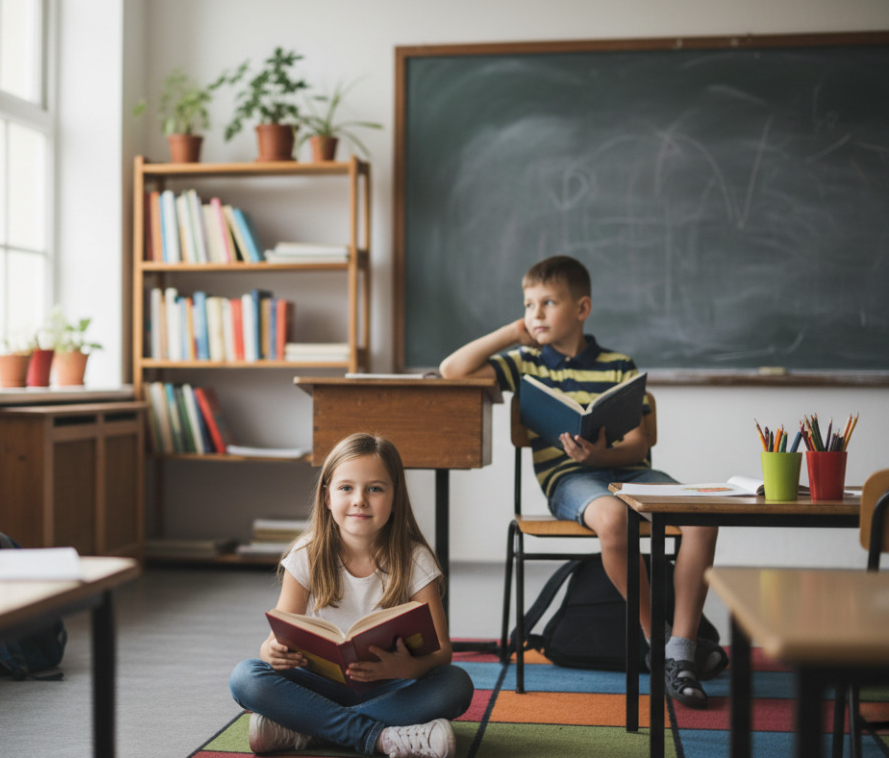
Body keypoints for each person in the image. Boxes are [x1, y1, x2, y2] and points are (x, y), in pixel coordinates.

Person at [439, 255, 723, 709]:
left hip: (630, 472)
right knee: (614, 521)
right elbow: (452, 369)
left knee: (702, 517)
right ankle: (658, 639)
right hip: (570, 480)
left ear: (582, 308)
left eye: (548, 303)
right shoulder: (525, 363)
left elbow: (638, 443)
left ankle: (682, 649)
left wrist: (603, 454)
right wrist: (512, 332)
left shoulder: (618, 364)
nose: (536, 314)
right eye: (529, 304)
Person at [229, 433, 473, 757]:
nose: (360, 500)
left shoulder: (415, 559)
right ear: (327, 497)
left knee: (455, 685)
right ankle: (380, 737)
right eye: (346, 488)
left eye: (375, 489)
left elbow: (442, 652)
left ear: (396, 498)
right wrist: (271, 651)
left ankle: (306, 730)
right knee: (245, 677)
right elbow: (276, 639)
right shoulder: (305, 555)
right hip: (319, 687)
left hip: (390, 687)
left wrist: (404, 669)